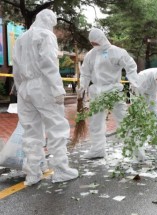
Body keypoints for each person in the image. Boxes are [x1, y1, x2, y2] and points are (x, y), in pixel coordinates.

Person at [12, 9, 78, 185]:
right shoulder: (45, 35)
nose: (53, 27)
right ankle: (61, 170)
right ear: (48, 20)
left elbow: (16, 68)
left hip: (25, 88)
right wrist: (57, 89)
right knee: (56, 127)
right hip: (43, 86)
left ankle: (33, 173)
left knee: (31, 131)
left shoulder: (21, 39)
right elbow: (48, 64)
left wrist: (21, 89)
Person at [77, 28, 139, 159]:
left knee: (123, 119)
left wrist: (134, 82)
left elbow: (131, 66)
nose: (94, 45)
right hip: (97, 92)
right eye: (92, 43)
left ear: (102, 39)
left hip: (113, 90)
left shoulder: (117, 52)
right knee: (95, 122)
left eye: (96, 42)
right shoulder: (90, 55)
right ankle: (97, 149)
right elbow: (85, 72)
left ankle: (134, 149)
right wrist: (83, 86)